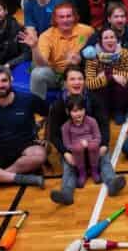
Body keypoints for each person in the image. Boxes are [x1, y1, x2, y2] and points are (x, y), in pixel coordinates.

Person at [45, 66, 123, 202]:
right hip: (73, 149)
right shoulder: (58, 105)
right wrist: (65, 153)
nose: (77, 82)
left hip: (93, 145)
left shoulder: (94, 100)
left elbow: (104, 124)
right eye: (72, 79)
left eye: (80, 79)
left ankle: (112, 183)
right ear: (65, 83)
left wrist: (104, 144)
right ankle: (66, 193)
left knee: (105, 161)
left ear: (85, 81)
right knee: (68, 168)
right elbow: (54, 134)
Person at [22, 3, 94, 98]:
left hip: (78, 72)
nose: (65, 20)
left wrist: (82, 59)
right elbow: (40, 64)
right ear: (55, 19)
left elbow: (97, 48)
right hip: (56, 74)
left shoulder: (86, 31)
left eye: (68, 16)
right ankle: (36, 104)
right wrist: (34, 47)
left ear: (74, 17)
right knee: (37, 73)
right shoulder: (46, 36)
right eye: (61, 17)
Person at [84, 26, 128, 123]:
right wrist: (111, 76)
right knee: (102, 86)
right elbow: (89, 84)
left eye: (112, 37)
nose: (110, 40)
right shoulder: (92, 56)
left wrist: (107, 73)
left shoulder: (125, 53)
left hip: (119, 98)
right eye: (106, 38)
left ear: (117, 39)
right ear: (100, 42)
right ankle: (104, 112)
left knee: (121, 85)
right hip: (102, 99)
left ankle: (118, 112)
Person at [60, 95, 105, 189]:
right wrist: (78, 145)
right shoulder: (66, 127)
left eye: (81, 110)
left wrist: (89, 143)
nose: (79, 113)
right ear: (68, 112)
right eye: (75, 111)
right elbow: (67, 144)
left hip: (91, 149)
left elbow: (97, 137)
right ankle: (82, 173)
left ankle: (94, 171)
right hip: (77, 153)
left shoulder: (92, 121)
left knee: (93, 146)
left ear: (85, 109)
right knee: (77, 148)